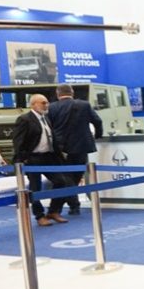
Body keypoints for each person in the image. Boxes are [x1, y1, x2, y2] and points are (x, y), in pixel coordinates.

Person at [12, 94, 71, 226]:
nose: (46, 105)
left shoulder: (46, 118)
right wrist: (23, 159)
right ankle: (39, 216)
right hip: (32, 159)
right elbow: (18, 141)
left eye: (47, 103)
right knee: (35, 188)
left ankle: (53, 211)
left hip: (48, 157)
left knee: (61, 182)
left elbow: (51, 139)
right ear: (33, 104)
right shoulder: (24, 119)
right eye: (43, 103)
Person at [48, 83, 103, 215]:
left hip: (61, 148)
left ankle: (72, 205)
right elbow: (98, 121)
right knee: (76, 176)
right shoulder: (84, 105)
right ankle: (73, 204)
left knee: (66, 177)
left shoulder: (52, 107)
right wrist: (97, 136)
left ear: (57, 94)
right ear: (72, 92)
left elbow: (49, 127)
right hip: (81, 146)